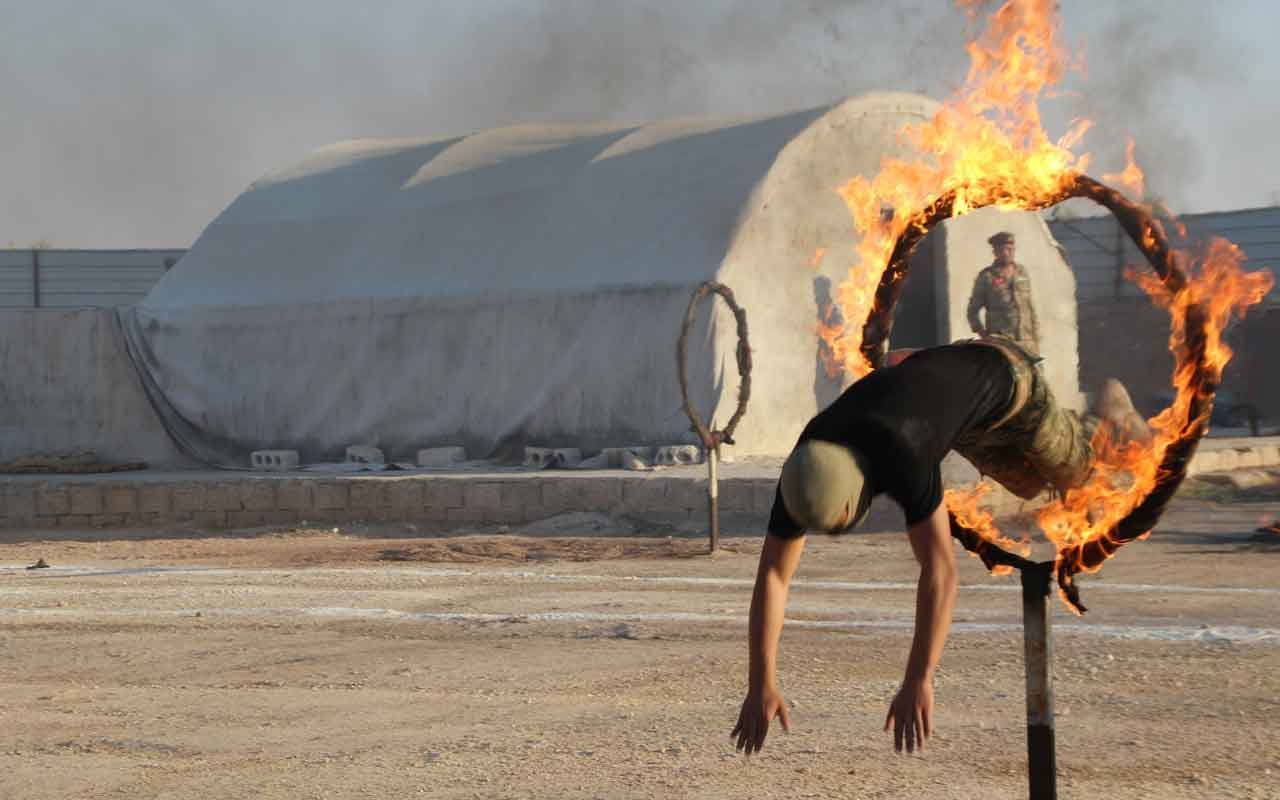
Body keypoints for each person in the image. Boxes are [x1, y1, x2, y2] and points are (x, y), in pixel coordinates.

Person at [730, 336, 1125, 756]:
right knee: (1027, 483)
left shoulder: (904, 448)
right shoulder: (808, 461)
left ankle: (1111, 417)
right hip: (949, 391)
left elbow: (940, 570)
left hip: (1008, 380)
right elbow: (774, 574)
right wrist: (761, 683)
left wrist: (920, 677)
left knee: (1075, 473)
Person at [967, 232, 1041, 355]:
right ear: (995, 253)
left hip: (1026, 340)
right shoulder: (987, 277)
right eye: (1002, 250)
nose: (1006, 253)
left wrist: (1036, 337)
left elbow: (1029, 305)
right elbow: (972, 311)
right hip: (1001, 342)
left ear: (1014, 250)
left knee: (1035, 373)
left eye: (1009, 249)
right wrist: (983, 334)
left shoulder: (1021, 272)